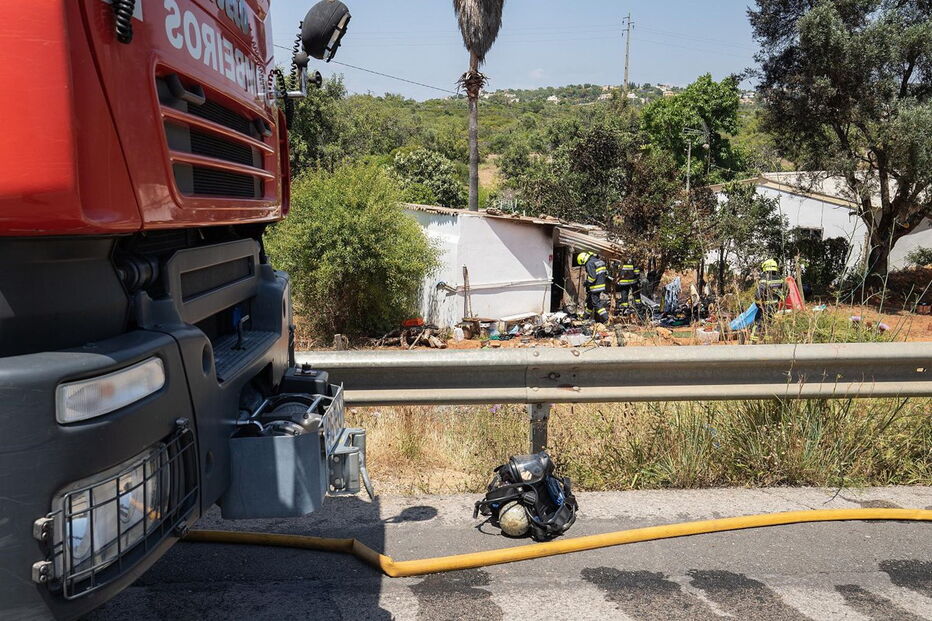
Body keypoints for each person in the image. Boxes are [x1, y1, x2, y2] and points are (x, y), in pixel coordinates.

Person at [576, 251, 609, 323]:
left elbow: (592, 277)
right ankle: (585, 317)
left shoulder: (589, 263)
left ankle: (606, 318)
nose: (584, 265)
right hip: (601, 285)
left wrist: (587, 283)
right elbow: (606, 273)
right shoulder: (600, 261)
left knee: (596, 303)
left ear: (583, 260)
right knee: (590, 302)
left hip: (595, 286)